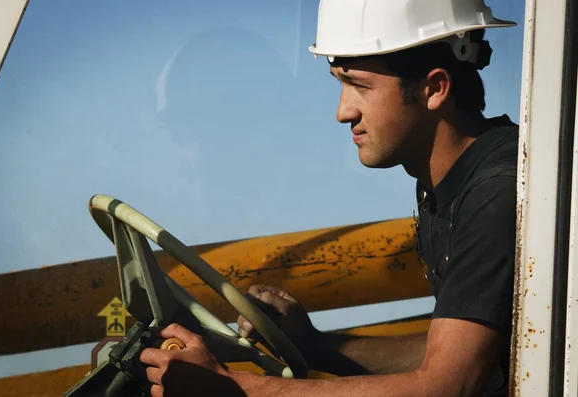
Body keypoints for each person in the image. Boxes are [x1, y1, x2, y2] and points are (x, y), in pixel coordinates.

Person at [139, 0, 520, 395]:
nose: (342, 112)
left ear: (434, 88)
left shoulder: (495, 191)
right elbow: (452, 353)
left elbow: (445, 386)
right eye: (340, 82)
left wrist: (234, 388)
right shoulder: (446, 181)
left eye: (358, 85)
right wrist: (314, 344)